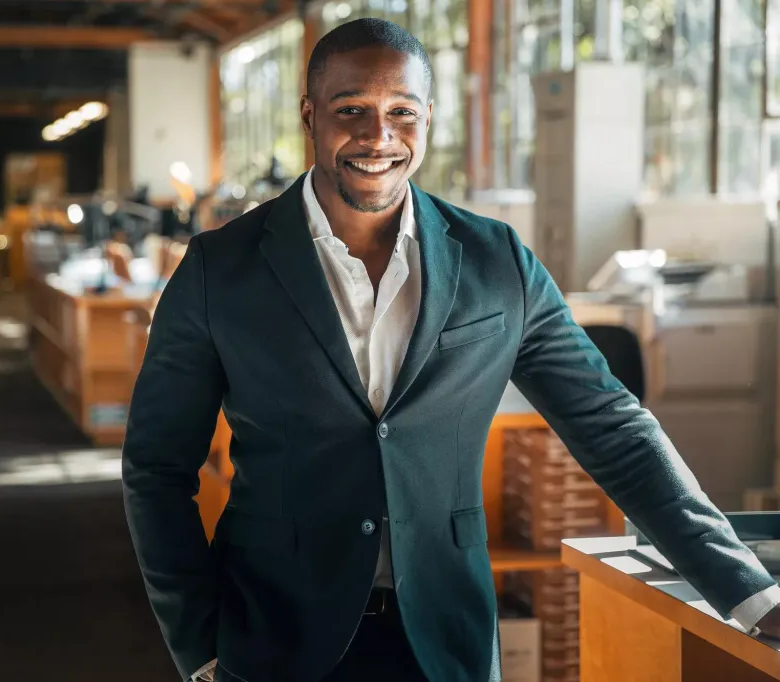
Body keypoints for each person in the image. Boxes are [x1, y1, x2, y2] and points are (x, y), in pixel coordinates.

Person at [122, 18, 780, 682]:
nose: (378, 136)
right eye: (351, 110)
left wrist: (751, 594)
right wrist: (199, 645)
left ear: (428, 119)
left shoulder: (497, 263)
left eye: (401, 112)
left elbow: (615, 430)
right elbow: (156, 468)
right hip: (273, 639)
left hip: (446, 639)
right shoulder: (219, 270)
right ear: (310, 115)